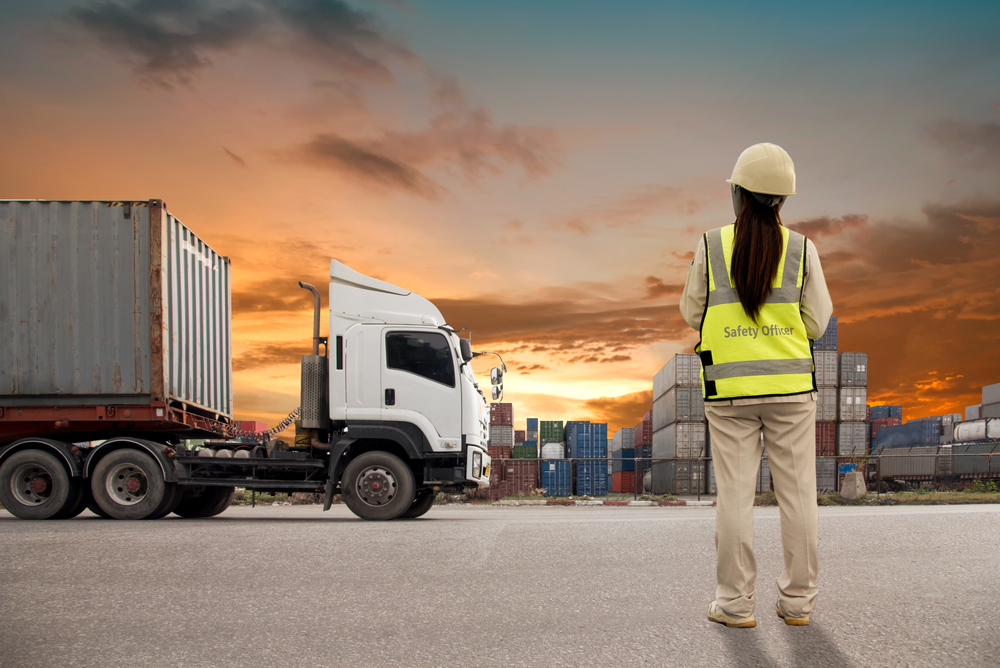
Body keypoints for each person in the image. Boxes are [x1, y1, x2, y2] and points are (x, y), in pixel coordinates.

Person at [679, 143, 833, 628]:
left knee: (736, 500)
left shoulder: (710, 245)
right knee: (798, 498)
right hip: (790, 394)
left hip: (730, 397)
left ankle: (734, 604)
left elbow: (691, 313)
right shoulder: (803, 249)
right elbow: (817, 323)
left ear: (738, 193)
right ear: (783, 199)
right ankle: (797, 604)